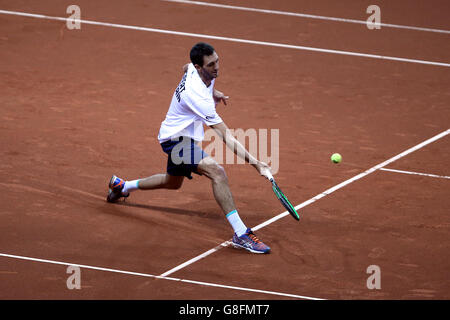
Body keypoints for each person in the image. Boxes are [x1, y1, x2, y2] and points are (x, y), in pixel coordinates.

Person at [107, 42, 272, 254]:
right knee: (217, 172)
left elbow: (186, 67)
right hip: (175, 141)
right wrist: (256, 164)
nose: (217, 67)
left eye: (217, 61)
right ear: (199, 66)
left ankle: (122, 186)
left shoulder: (196, 70)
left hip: (181, 136)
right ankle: (241, 234)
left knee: (172, 182)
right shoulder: (197, 97)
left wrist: (215, 93)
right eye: (211, 64)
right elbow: (227, 137)